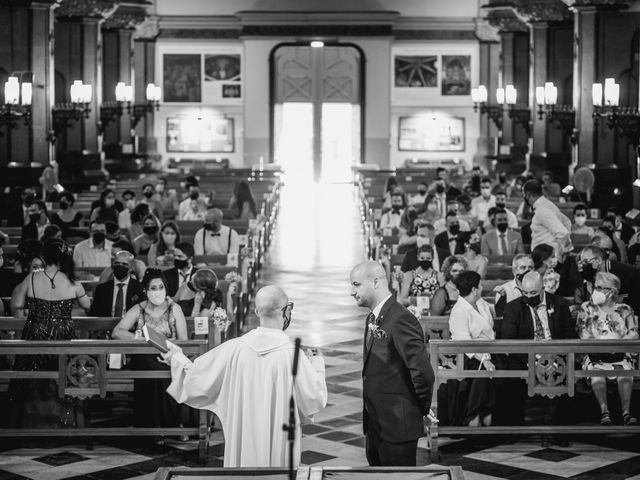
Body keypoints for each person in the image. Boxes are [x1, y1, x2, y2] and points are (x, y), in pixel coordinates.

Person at [162, 285, 327, 467]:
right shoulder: (293, 356)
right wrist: (317, 363)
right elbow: (315, 397)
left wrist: (176, 357)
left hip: (243, 441)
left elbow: (196, 376)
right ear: (287, 311)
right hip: (279, 442)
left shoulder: (234, 348)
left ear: (256, 311)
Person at [349, 261, 434, 466]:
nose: (352, 291)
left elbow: (423, 373)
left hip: (397, 426)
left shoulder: (400, 319)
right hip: (376, 424)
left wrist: (419, 409)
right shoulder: (374, 317)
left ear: (376, 282)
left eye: (356, 284)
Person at [9, 239, 91, 428]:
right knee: (62, 377)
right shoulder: (73, 282)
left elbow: (17, 305)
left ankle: (28, 426)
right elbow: (88, 306)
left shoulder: (31, 279)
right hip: (63, 336)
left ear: (46, 257)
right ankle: (64, 424)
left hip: (35, 334)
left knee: (31, 379)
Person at [112, 268, 189, 434]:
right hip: (144, 357)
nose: (158, 292)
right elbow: (117, 331)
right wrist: (138, 338)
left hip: (170, 355)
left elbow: (184, 339)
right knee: (150, 368)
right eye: (153, 288)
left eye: (161, 287)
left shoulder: (174, 309)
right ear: (146, 291)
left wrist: (168, 347)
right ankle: (152, 426)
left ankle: (168, 424)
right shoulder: (138, 309)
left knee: (166, 370)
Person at [501, 271, 574, 425]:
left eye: (533, 292)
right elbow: (509, 341)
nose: (528, 296)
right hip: (525, 357)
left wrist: (554, 360)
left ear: (543, 289)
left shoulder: (560, 304)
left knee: (569, 373)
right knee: (510, 377)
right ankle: (514, 427)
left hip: (556, 355)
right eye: (525, 293)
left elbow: (568, 336)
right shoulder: (513, 308)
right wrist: (534, 362)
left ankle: (560, 429)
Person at [575, 272, 638, 426]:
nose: (596, 291)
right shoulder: (587, 308)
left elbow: (633, 333)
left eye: (602, 288)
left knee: (625, 375)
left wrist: (618, 344)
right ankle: (605, 412)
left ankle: (626, 413)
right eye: (596, 287)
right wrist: (604, 344)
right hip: (595, 355)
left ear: (612, 291)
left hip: (619, 356)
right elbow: (583, 333)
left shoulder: (624, 309)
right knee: (597, 376)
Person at [448, 270, 496, 426]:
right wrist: (484, 359)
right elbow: (464, 343)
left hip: (490, 350)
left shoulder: (481, 303)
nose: (482, 288)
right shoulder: (459, 311)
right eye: (480, 285)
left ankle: (486, 414)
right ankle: (474, 415)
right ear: (474, 289)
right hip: (468, 355)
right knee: (482, 372)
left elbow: (494, 311)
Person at [576, 245, 640, 315]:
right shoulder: (590, 274)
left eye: (586, 261)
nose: (584, 265)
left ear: (598, 260)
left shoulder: (625, 273)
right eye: (582, 262)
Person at [524, 179, 572, 255]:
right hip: (546, 255)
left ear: (528, 194)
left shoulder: (542, 210)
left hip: (546, 256)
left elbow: (563, 233)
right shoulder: (548, 204)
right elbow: (567, 222)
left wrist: (564, 251)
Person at [89, 250, 144, 317]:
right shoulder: (101, 289)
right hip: (105, 325)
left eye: (124, 264)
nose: (120, 266)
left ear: (131, 268)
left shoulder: (140, 289)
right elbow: (94, 314)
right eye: (117, 263)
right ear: (113, 265)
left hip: (131, 326)